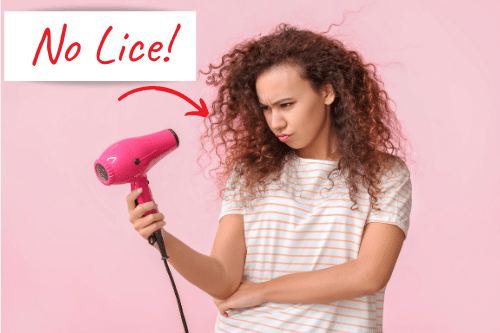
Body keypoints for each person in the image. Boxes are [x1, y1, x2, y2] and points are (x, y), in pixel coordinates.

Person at [127, 23, 413, 333]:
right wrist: (160, 238)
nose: (276, 121)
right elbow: (223, 279)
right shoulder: (250, 172)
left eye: (286, 105)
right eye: (266, 108)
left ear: (327, 91)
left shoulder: (385, 174)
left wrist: (262, 291)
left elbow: (368, 275)